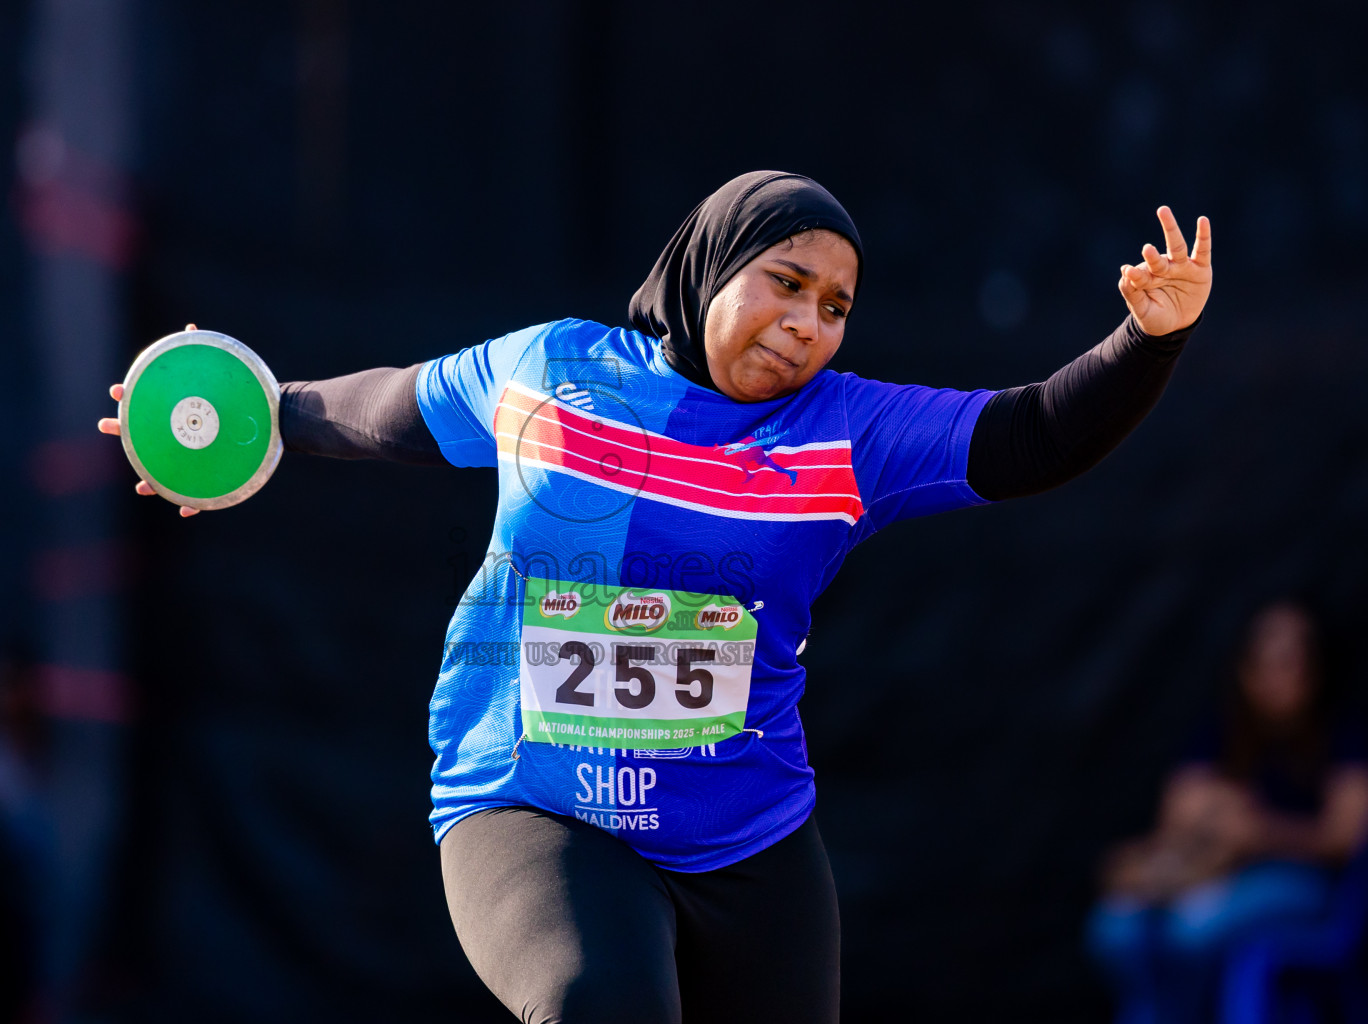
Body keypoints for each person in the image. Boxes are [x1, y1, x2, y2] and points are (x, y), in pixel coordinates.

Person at [99, 171, 1213, 1022]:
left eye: (836, 306)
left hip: (746, 838)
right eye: (786, 282)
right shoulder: (552, 368)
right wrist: (252, 411)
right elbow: (388, 408)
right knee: (605, 1005)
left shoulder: (849, 430)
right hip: (531, 803)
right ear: (711, 264)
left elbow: (1030, 436)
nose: (808, 324)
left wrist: (1147, 338)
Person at [1088, 601, 1368, 1024]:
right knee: (1114, 929)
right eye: (1264, 659)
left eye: (1291, 660)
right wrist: (1207, 821)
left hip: (1301, 879)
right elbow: (1178, 818)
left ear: (1317, 667)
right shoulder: (1220, 734)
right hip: (1215, 876)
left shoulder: (1344, 737)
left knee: (1194, 928)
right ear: (1244, 668)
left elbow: (1343, 839)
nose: (1277, 674)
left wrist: (1262, 832)